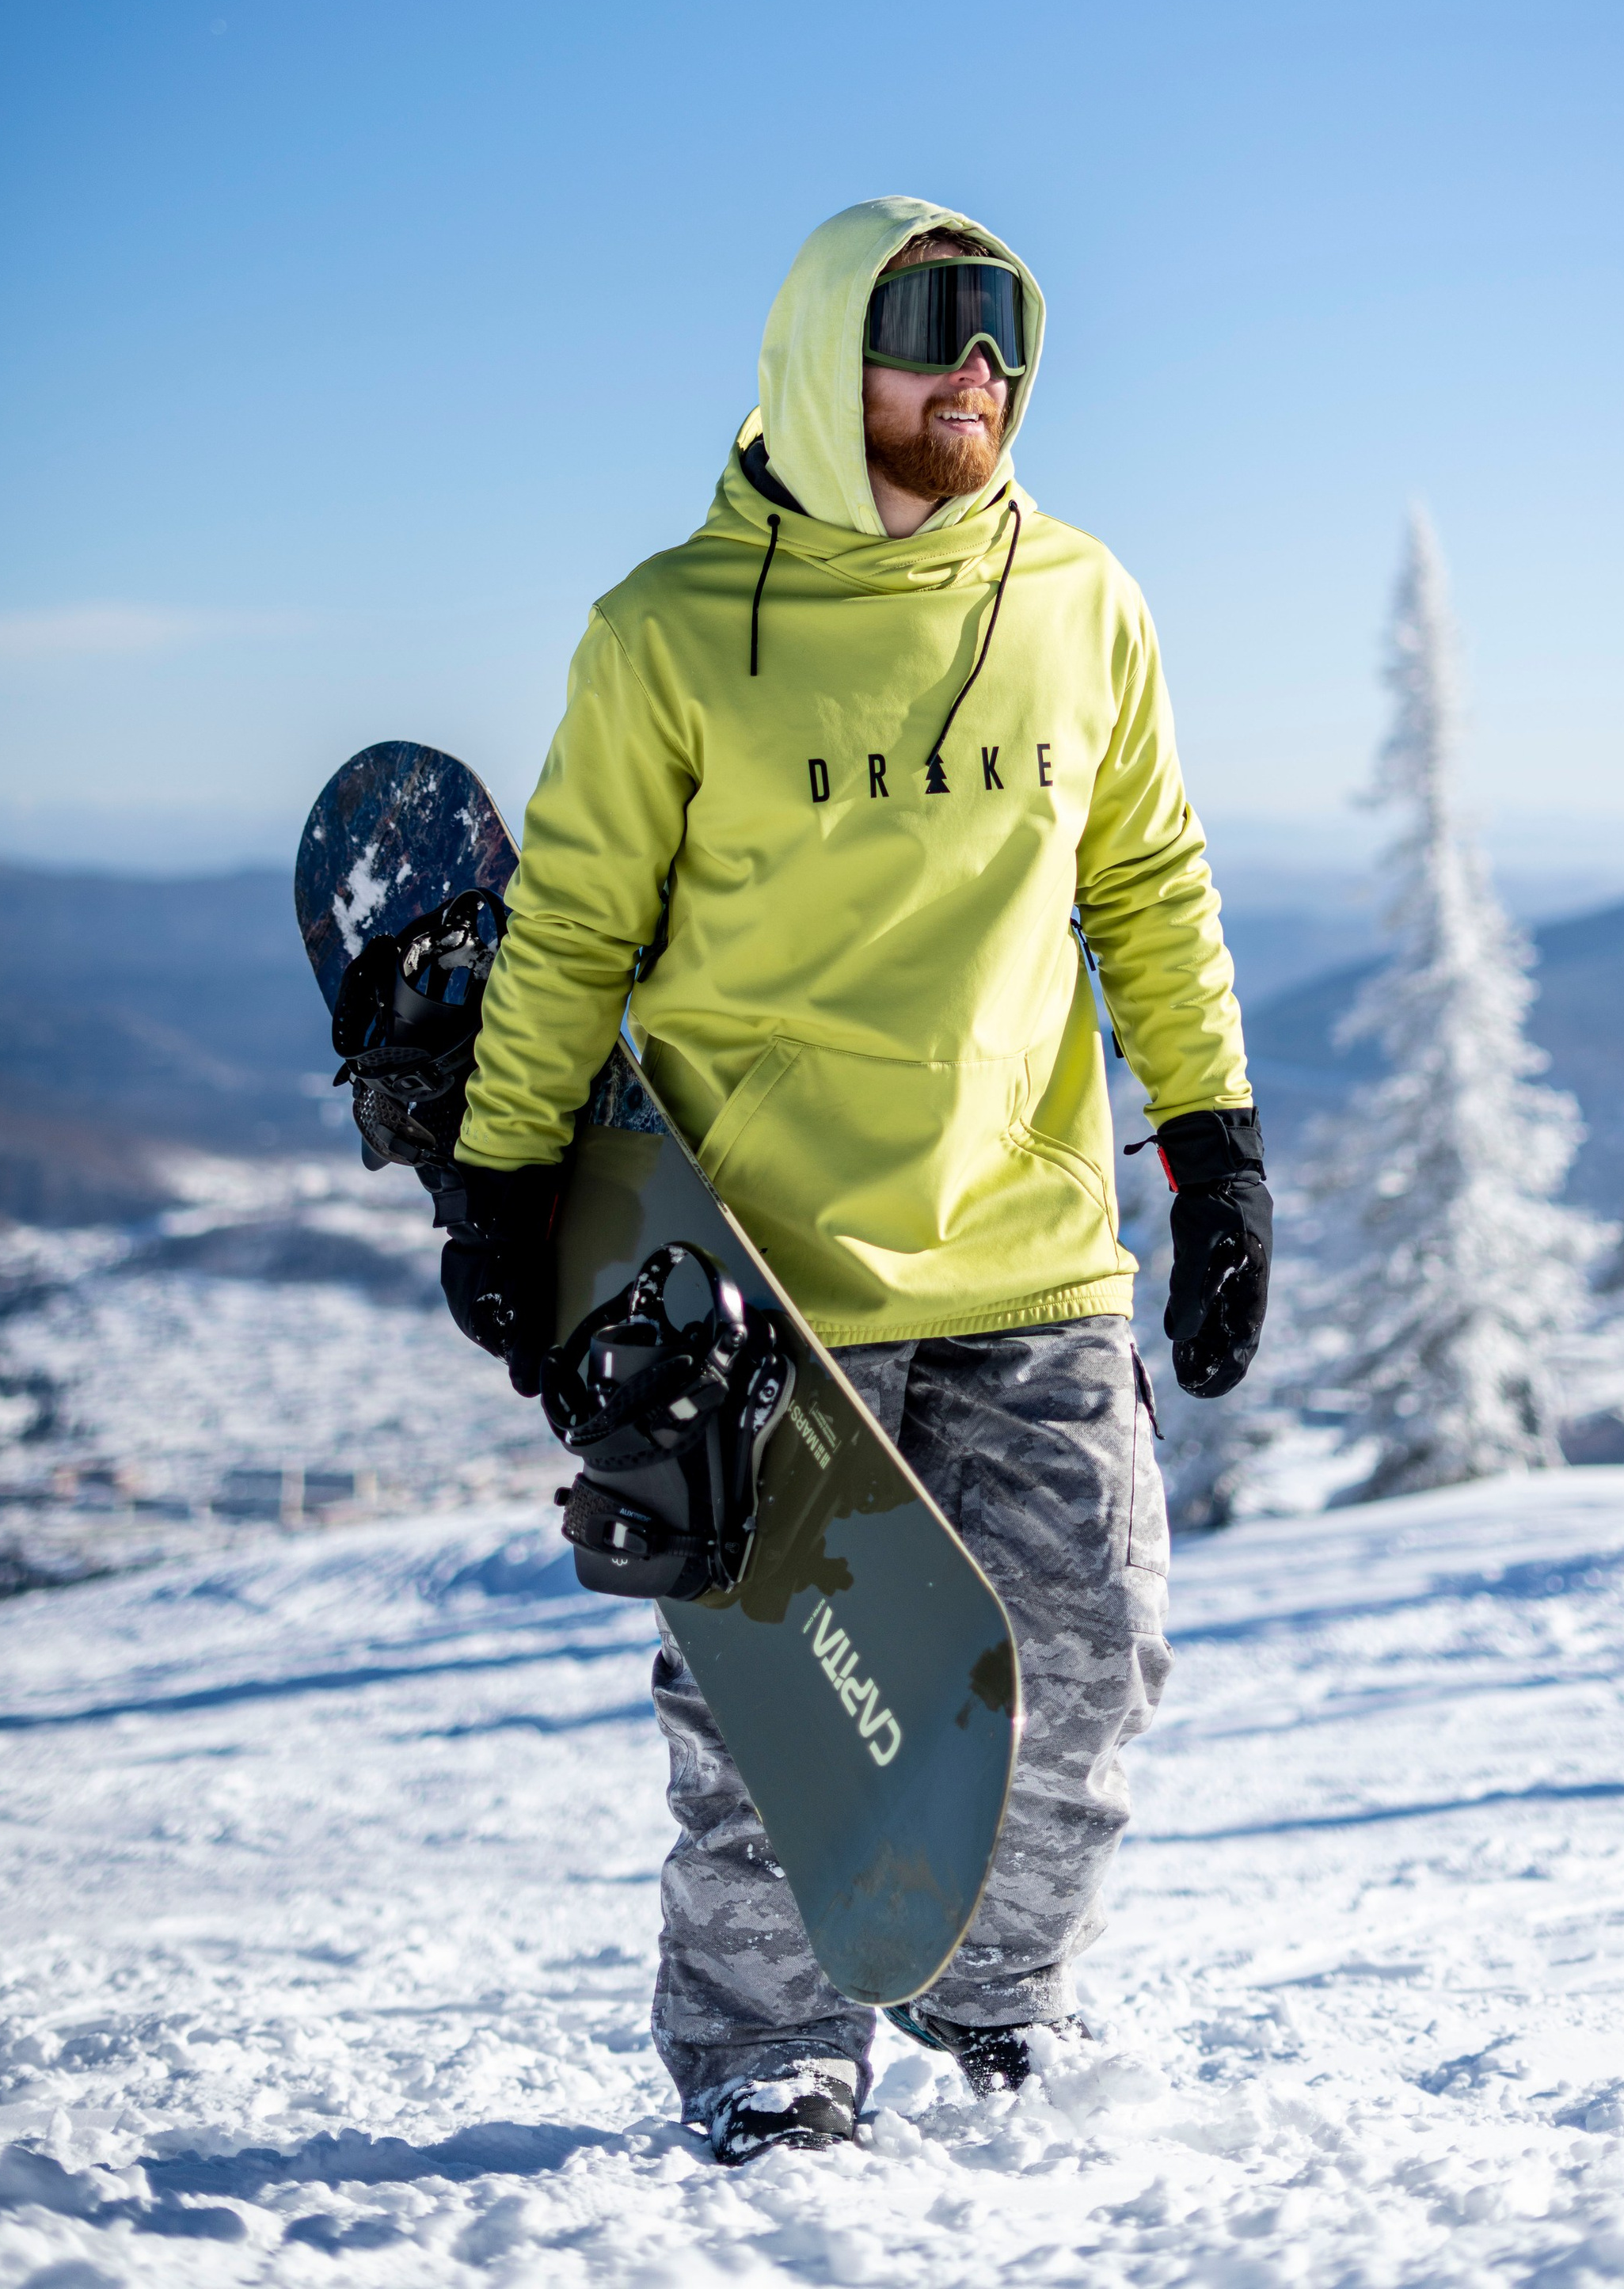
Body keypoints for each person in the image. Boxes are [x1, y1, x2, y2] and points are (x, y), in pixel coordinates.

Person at [441, 196, 1271, 2164]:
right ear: (828, 360)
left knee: (1090, 1649)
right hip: (762, 1274)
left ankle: (999, 1999)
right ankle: (761, 2050)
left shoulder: (1079, 599)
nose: (974, 368)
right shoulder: (665, 632)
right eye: (927, 327)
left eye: (1001, 328)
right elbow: (566, 929)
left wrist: (1213, 1147)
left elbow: (1145, 882)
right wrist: (503, 1179)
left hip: (1031, 1236)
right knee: (768, 1710)